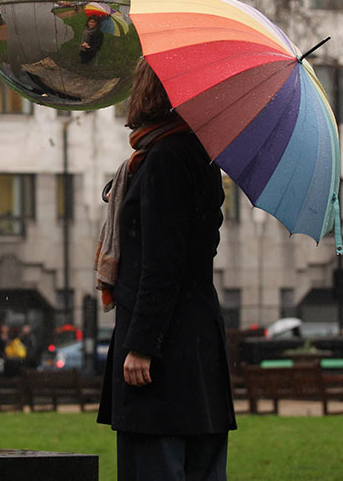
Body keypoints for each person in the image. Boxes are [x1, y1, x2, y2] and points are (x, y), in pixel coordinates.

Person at [96, 58, 236, 480]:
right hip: (197, 348)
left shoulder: (164, 160)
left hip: (165, 354)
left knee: (155, 464)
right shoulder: (199, 156)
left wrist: (142, 345)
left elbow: (161, 263)